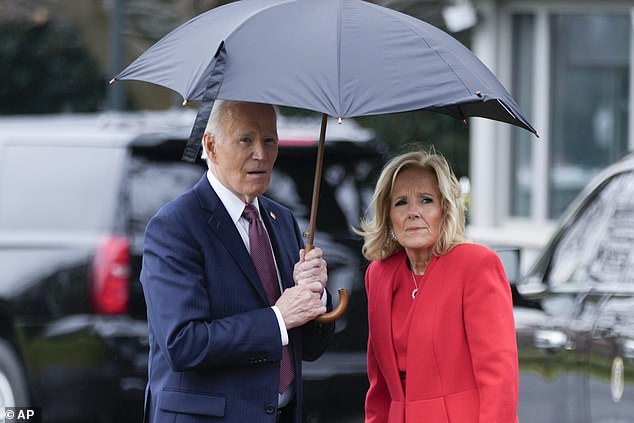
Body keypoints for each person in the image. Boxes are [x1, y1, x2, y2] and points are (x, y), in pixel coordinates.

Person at [139, 100, 335, 423]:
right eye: (246, 140)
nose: (260, 153)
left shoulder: (282, 220)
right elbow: (183, 343)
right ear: (211, 145)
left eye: (270, 141)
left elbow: (307, 349)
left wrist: (315, 295)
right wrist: (278, 319)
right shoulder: (176, 225)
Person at [356, 149, 519, 423]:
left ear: (445, 209)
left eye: (426, 200)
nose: (413, 213)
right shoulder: (379, 274)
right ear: (388, 214)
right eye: (401, 203)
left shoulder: (476, 265)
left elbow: (499, 378)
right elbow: (379, 386)